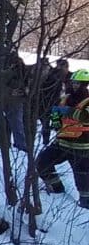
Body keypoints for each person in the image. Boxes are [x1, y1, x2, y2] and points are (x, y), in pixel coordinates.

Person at [36, 68, 89, 209]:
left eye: (78, 83)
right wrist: (55, 119)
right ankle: (57, 190)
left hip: (82, 147)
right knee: (42, 162)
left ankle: (85, 207)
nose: (75, 85)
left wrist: (69, 111)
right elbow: (56, 112)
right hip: (62, 143)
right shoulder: (65, 98)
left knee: (83, 179)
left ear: (85, 84)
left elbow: (86, 117)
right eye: (74, 82)